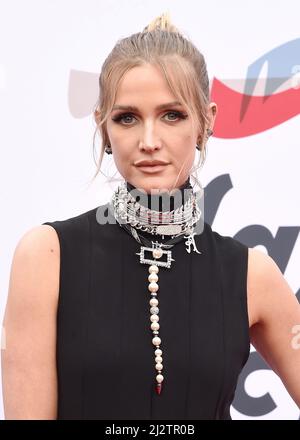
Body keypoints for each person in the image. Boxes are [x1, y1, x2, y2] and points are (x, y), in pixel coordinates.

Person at [1, 12, 300, 420]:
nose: (148, 141)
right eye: (127, 118)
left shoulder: (252, 275)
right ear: (103, 128)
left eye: (171, 115)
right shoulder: (46, 257)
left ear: (206, 121)